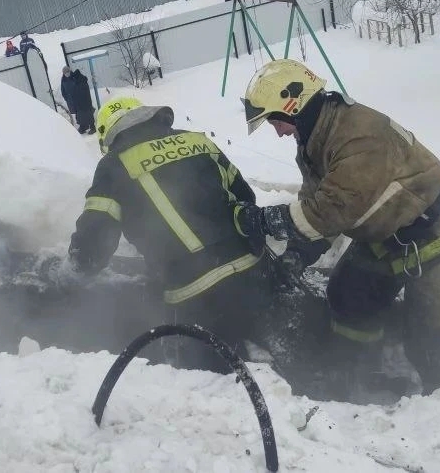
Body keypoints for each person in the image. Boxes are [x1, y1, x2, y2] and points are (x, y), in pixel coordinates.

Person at [236, 58, 440, 399]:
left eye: (276, 120)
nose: (278, 131)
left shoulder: (358, 135)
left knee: (433, 337)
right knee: (349, 295)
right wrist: (298, 253)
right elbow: (317, 201)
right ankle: (357, 370)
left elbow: (333, 208)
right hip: (388, 234)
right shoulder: (316, 139)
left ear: (294, 106)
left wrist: (267, 220)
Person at [47, 96, 281, 374]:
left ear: (106, 135)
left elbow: (95, 242)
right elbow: (245, 196)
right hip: (256, 271)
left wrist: (68, 277)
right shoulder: (197, 141)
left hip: (198, 295)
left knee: (214, 383)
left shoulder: (114, 164)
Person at [60, 66, 96, 135]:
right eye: (65, 73)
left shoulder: (76, 77)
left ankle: (92, 127)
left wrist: (81, 95)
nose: (67, 74)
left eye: (68, 72)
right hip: (73, 101)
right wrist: (66, 98)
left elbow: (82, 87)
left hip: (82, 99)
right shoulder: (63, 80)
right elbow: (63, 90)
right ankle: (83, 127)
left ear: (70, 71)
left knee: (87, 112)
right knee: (79, 114)